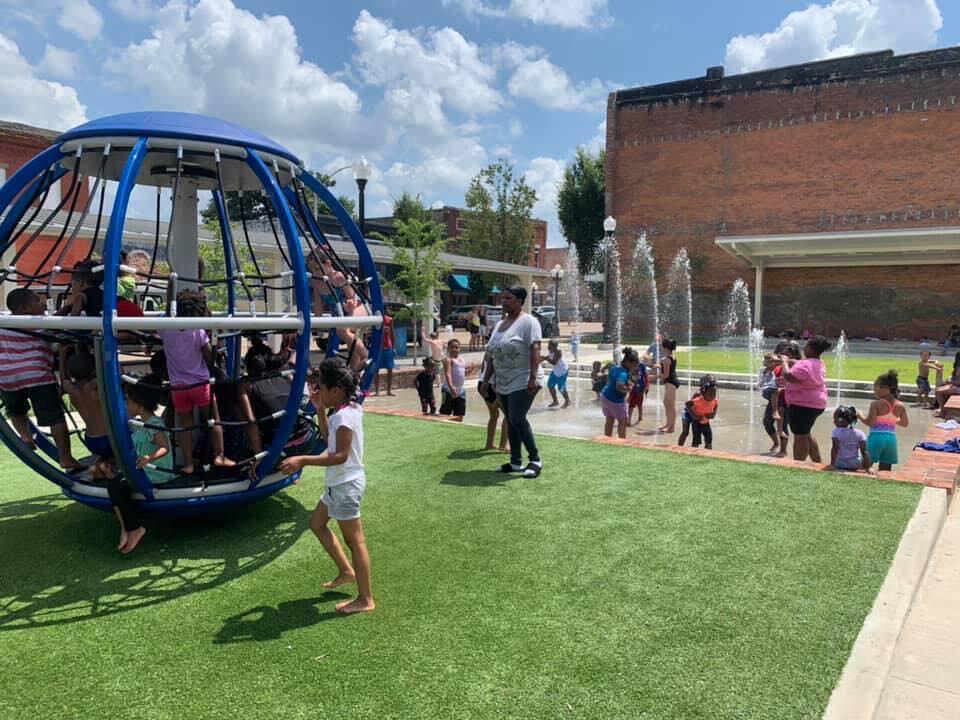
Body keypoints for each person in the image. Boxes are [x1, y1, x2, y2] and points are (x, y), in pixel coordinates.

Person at [279, 359, 374, 615]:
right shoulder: (347, 409)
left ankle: (365, 599)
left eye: (322, 387)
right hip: (338, 483)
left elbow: (340, 455)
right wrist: (320, 409)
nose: (318, 391)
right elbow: (328, 440)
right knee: (317, 524)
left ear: (336, 390)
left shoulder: (344, 416)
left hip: (346, 484)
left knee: (356, 542)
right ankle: (346, 571)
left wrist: (302, 460)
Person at [0, 289, 83, 471]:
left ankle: (26, 436)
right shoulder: (36, 323)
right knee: (54, 417)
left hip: (7, 377)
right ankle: (66, 457)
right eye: (37, 302)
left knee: (15, 411)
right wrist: (70, 306)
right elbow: (60, 326)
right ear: (24, 309)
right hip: (37, 375)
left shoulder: (4, 323)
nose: (43, 305)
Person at [158, 289, 233, 474]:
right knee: (213, 419)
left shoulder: (165, 328)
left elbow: (163, 316)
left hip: (178, 387)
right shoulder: (197, 331)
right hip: (200, 384)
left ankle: (189, 463)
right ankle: (220, 455)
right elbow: (209, 356)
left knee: (185, 425)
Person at [480, 286, 544, 478]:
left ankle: (535, 459)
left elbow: (535, 349)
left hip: (524, 378)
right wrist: (485, 379)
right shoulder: (500, 326)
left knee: (516, 417)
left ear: (520, 301)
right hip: (503, 380)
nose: (504, 301)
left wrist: (532, 377)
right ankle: (516, 462)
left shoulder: (529, 322)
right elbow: (491, 354)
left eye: (508, 298)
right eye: (503, 298)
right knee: (510, 419)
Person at [107, 376, 173, 553]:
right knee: (113, 486)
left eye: (128, 401)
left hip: (155, 473)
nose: (126, 406)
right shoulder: (139, 424)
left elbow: (164, 448)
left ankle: (134, 528)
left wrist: (149, 458)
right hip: (143, 470)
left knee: (118, 488)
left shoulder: (154, 424)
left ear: (139, 405)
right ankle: (127, 528)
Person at [781, 335, 832, 463]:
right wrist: (790, 361)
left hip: (802, 404)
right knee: (806, 433)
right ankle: (817, 462)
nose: (804, 347)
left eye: (807, 345)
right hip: (817, 404)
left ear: (811, 348)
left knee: (799, 436)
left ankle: (798, 465)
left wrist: (784, 362)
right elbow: (803, 366)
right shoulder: (819, 362)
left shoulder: (804, 364)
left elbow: (789, 376)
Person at [61, 349, 112, 474]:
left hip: (91, 439)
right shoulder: (94, 388)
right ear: (94, 370)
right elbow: (116, 373)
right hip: (109, 438)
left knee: (105, 455)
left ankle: (100, 465)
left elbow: (63, 380)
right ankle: (107, 465)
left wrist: (62, 357)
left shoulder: (71, 390)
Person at [859, 370, 909, 471]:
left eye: (875, 388)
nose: (874, 391)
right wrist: (892, 419)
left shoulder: (876, 404)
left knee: (864, 467)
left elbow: (870, 423)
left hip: (876, 438)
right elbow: (905, 424)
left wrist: (859, 415)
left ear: (885, 388)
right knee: (885, 470)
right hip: (891, 440)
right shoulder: (900, 405)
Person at [601, 347, 639, 438]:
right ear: (628, 362)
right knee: (623, 420)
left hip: (605, 396)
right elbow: (619, 385)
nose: (634, 368)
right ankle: (622, 441)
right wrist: (628, 388)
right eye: (634, 365)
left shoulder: (615, 367)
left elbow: (610, 379)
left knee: (609, 420)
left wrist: (626, 383)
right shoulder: (623, 373)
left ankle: (607, 439)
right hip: (615, 400)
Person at [678, 374, 719, 449]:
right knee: (685, 432)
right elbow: (689, 406)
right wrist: (694, 416)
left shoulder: (712, 395)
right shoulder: (698, 395)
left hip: (699, 415)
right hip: (688, 413)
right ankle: (679, 448)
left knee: (705, 433)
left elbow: (715, 404)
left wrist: (713, 414)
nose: (713, 393)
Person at [827, 405, 871, 472]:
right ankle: (867, 468)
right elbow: (864, 452)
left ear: (840, 420)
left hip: (839, 463)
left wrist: (832, 465)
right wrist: (868, 468)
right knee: (863, 455)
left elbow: (835, 448)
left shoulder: (836, 432)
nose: (834, 421)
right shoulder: (860, 433)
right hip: (855, 464)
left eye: (835, 419)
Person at [478, 365, 508, 452]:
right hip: (491, 385)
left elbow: (484, 366)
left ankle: (489, 444)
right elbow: (496, 367)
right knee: (509, 415)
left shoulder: (489, 351)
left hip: (483, 382)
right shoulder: (497, 351)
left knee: (494, 415)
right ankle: (503, 446)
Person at [759, 354, 784, 453]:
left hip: (784, 399)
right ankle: (776, 442)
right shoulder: (765, 371)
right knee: (767, 422)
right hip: (773, 399)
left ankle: (783, 450)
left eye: (770, 361)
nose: (767, 363)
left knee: (783, 426)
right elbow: (762, 384)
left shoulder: (782, 368)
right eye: (766, 361)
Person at [440, 338, 466, 420]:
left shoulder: (461, 359)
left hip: (460, 390)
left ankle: (458, 426)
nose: (454, 349)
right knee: (445, 412)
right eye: (452, 347)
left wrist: (469, 371)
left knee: (460, 412)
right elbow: (448, 374)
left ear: (459, 348)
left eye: (456, 347)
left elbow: (461, 372)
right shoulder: (448, 360)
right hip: (448, 390)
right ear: (448, 348)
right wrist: (451, 388)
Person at [657, 338, 680, 433]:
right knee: (667, 403)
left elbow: (666, 375)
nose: (661, 348)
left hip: (671, 382)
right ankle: (668, 424)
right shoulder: (671, 356)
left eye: (662, 346)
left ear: (665, 348)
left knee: (671, 405)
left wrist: (653, 377)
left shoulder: (667, 359)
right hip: (670, 382)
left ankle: (671, 427)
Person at [543, 339, 570, 409]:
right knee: (550, 385)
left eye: (550, 346)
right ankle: (555, 401)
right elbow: (548, 358)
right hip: (556, 371)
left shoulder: (558, 352)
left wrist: (546, 358)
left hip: (563, 371)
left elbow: (554, 362)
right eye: (548, 345)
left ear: (555, 347)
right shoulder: (551, 351)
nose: (548, 347)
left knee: (561, 387)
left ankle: (567, 401)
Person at [374, 312, 395, 396]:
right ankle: (377, 390)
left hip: (388, 347)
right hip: (378, 348)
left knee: (390, 369)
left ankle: (389, 390)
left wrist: (393, 347)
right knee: (376, 369)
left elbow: (392, 334)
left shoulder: (389, 320)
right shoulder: (374, 318)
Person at [934, 351, 960, 416]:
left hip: (958, 388)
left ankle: (942, 411)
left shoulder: (959, 368)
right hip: (956, 386)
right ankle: (942, 409)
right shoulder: (957, 367)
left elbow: (958, 383)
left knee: (938, 392)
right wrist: (950, 380)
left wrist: (950, 382)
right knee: (940, 388)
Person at [627, 360, 649, 426]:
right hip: (632, 388)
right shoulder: (629, 365)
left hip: (640, 387)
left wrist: (647, 385)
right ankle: (629, 420)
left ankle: (640, 416)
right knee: (631, 404)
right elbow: (628, 376)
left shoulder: (642, 365)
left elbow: (646, 376)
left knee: (639, 403)